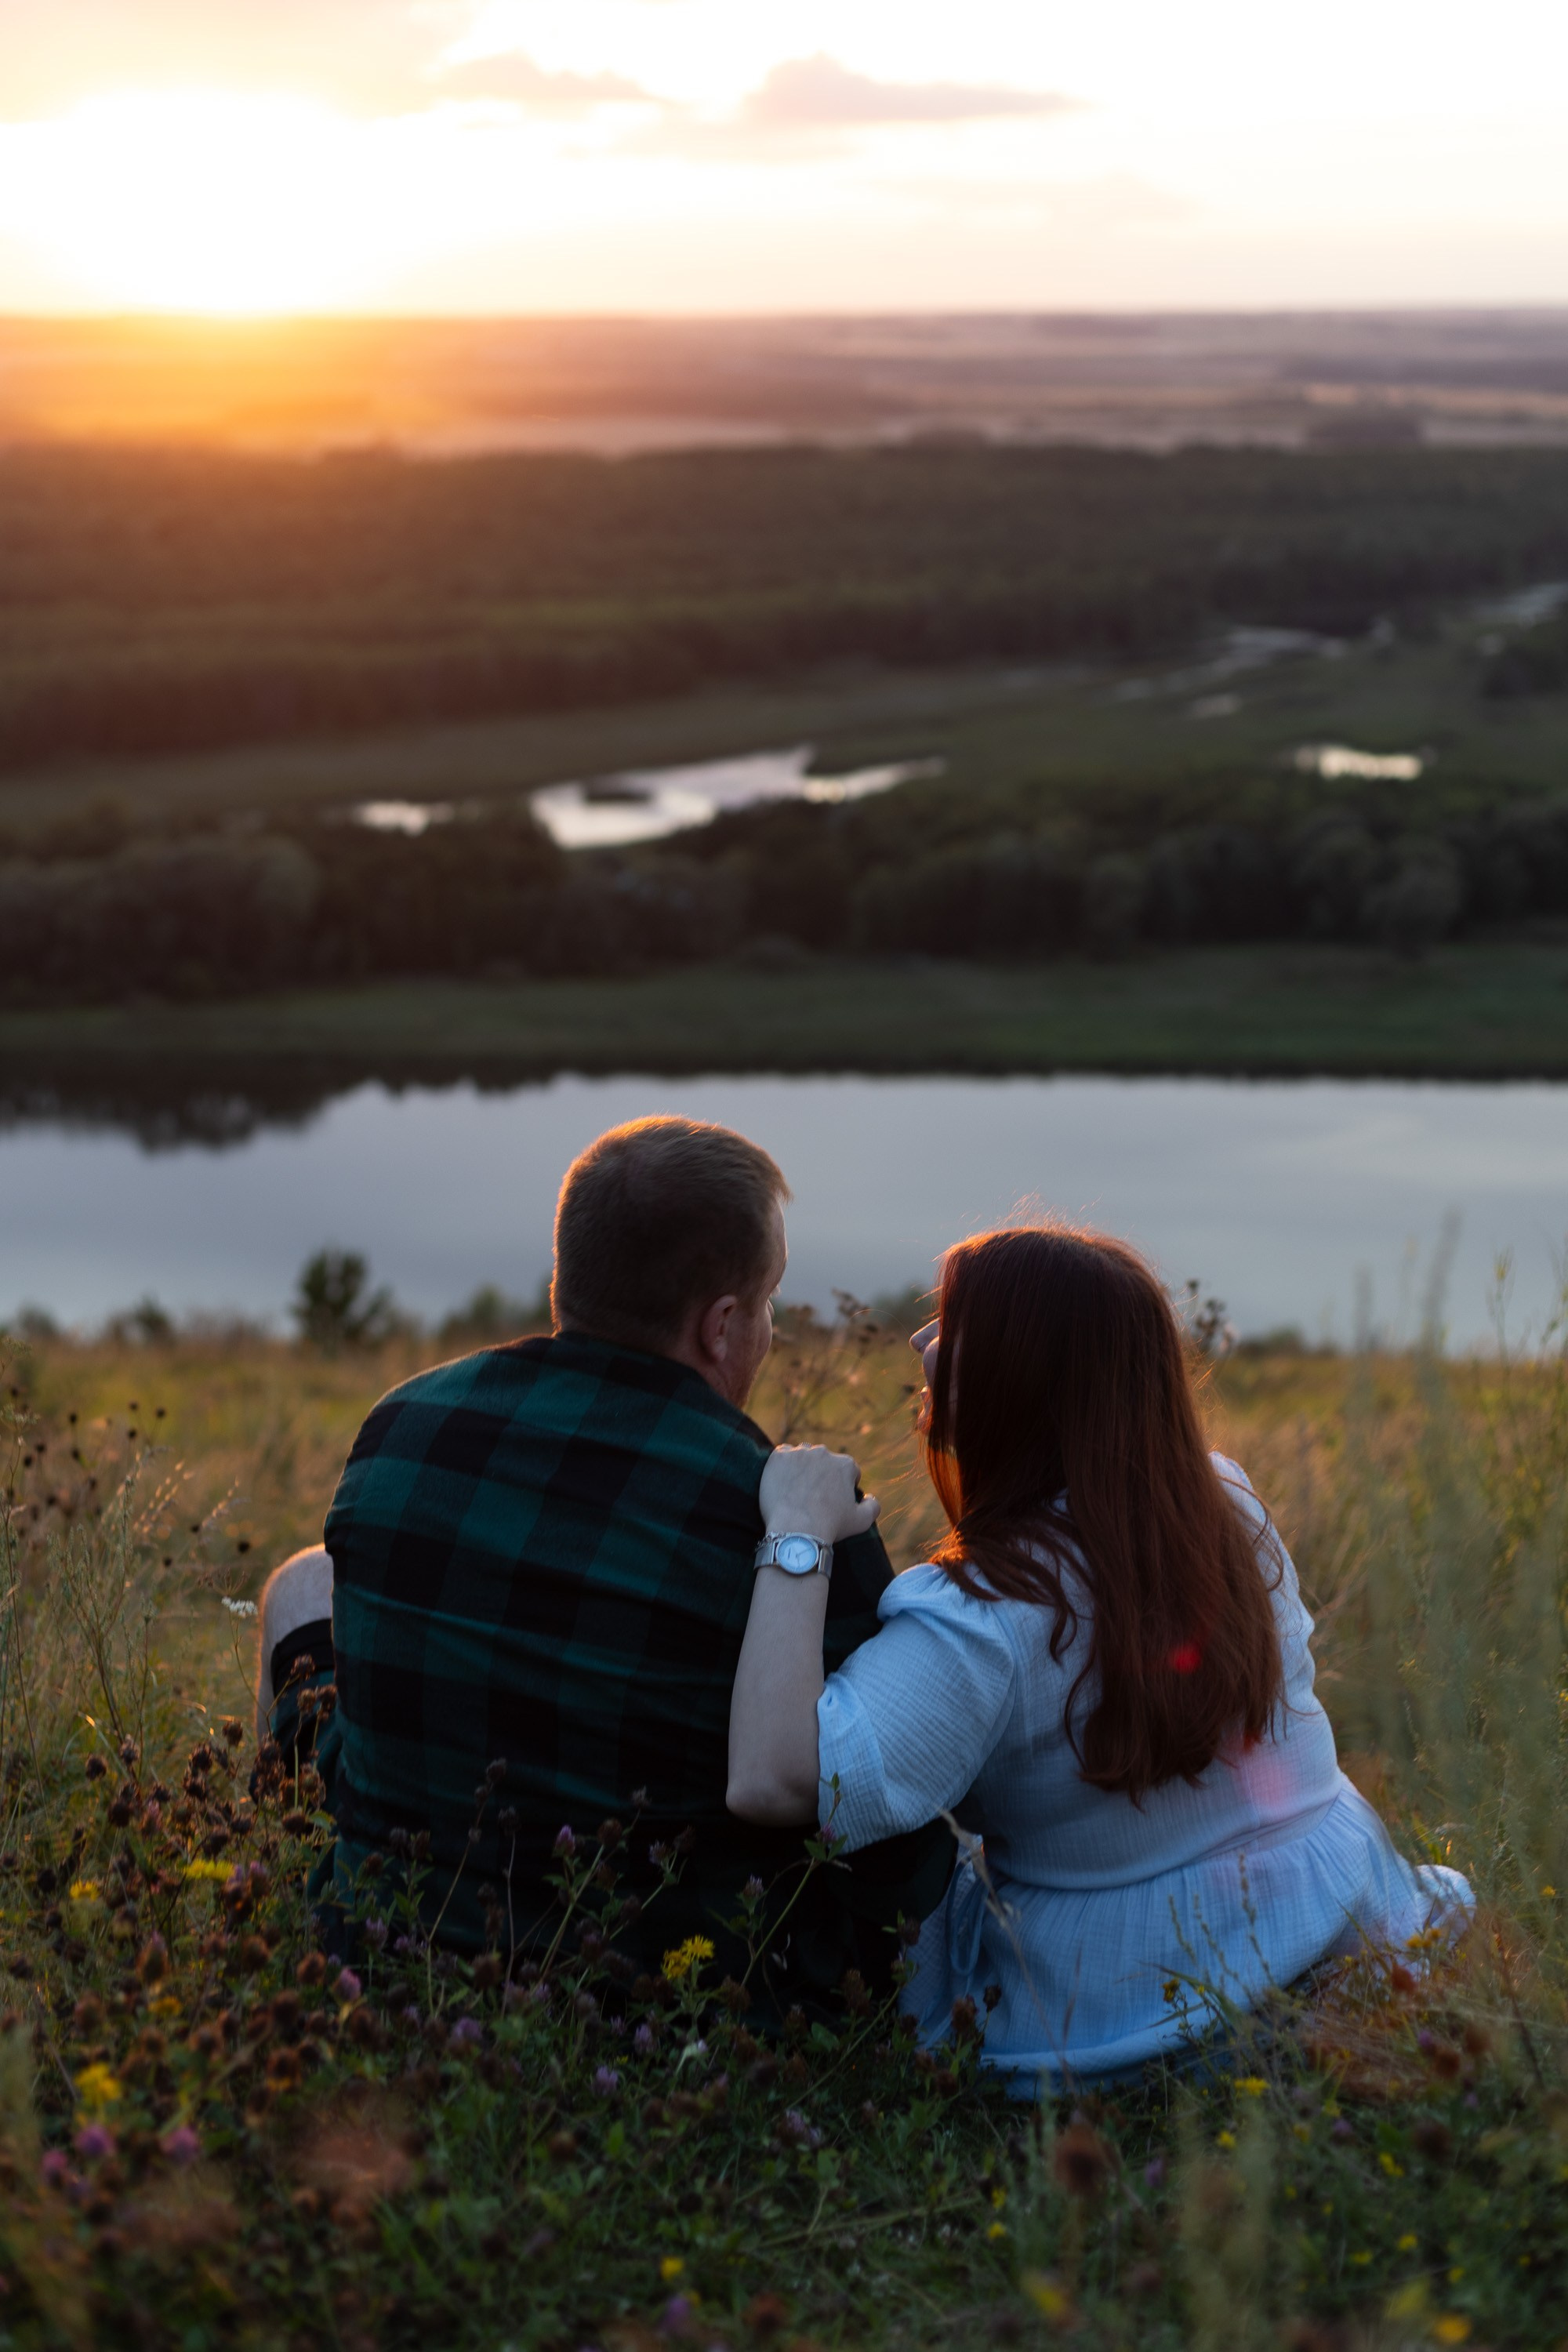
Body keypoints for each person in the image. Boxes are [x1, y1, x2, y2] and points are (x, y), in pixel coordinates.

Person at [728, 1222, 1471, 2092]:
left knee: (908, 1869)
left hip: (1134, 2004)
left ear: (1020, 1377)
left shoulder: (980, 1610)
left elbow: (772, 1779)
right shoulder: (1220, 1498)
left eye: (955, 1326)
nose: (920, 1343)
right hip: (1344, 1913)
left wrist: (793, 1535)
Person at [256, 1116, 950, 2005]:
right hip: (655, 1978)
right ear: (722, 1325)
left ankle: (273, 1864)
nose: (769, 1331)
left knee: (304, 1582)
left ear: (570, 1273)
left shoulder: (403, 1424)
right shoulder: (787, 1520)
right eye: (769, 1302)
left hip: (386, 1933)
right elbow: (864, 1804)